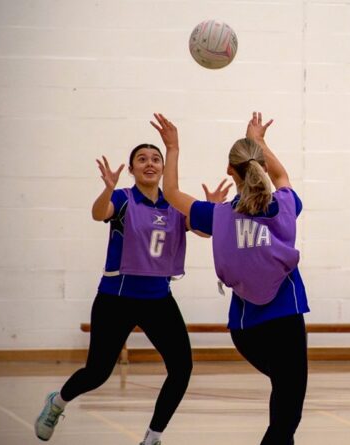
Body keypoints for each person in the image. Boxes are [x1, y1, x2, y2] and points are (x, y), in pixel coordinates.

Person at [34, 144, 227, 445]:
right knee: (97, 373)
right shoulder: (122, 199)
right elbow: (99, 214)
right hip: (116, 299)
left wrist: (211, 211)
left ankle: (153, 437)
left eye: (155, 159)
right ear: (133, 168)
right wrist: (107, 189)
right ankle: (57, 402)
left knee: (182, 368)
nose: (149, 163)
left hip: (158, 300)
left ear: (163, 168)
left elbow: (202, 230)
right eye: (142, 159)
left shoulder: (175, 204)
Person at [153, 112, 309, 445]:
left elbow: (170, 193)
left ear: (229, 170)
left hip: (246, 329)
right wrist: (259, 141)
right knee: (287, 411)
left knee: (283, 407)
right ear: (261, 166)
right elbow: (282, 174)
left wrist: (174, 147)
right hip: (285, 317)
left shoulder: (217, 215)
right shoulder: (285, 204)